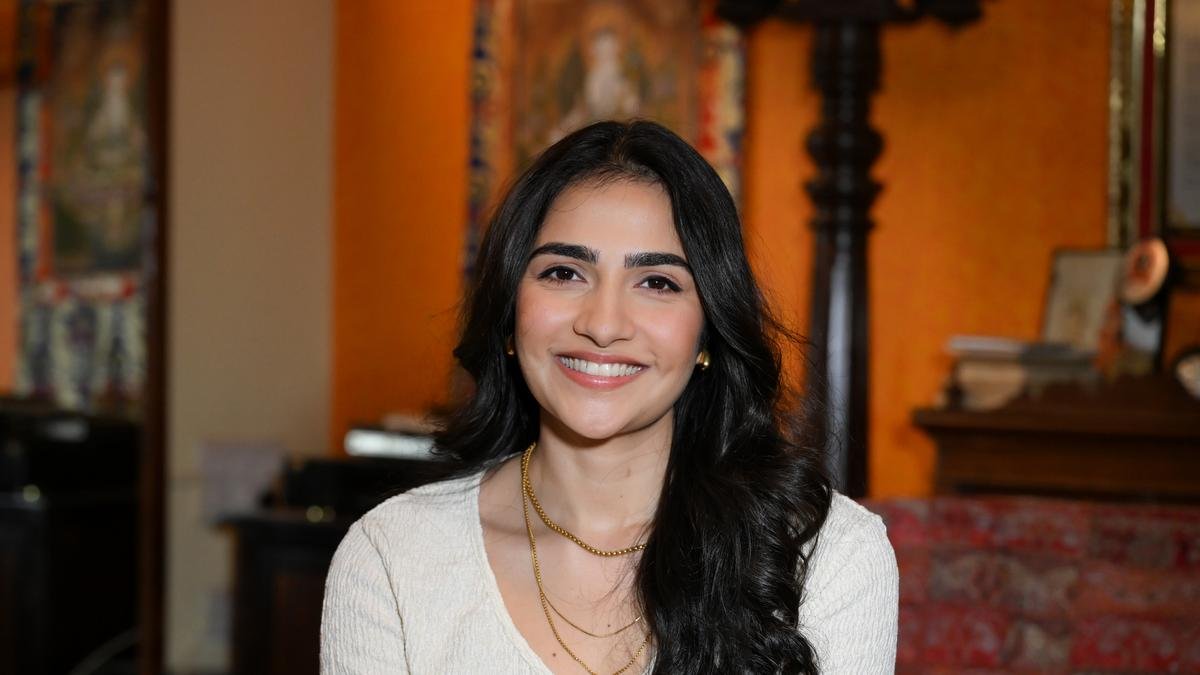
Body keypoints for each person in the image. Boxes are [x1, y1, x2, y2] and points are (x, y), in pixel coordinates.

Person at [320, 120, 898, 674]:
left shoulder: (825, 553)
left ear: (708, 332)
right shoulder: (394, 556)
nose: (602, 325)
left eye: (657, 282)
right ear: (510, 309)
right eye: (564, 273)